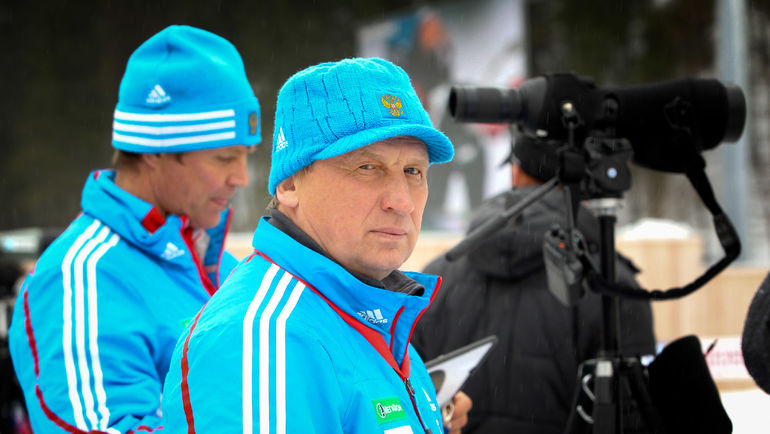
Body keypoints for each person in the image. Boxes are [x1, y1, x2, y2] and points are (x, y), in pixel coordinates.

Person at [161, 57, 471, 433]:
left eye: (413, 172)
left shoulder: (374, 314)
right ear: (289, 184)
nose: (402, 201)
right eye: (367, 168)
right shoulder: (262, 342)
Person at [8, 25, 261, 433]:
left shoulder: (227, 271)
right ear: (156, 149)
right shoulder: (80, 280)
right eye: (224, 157)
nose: (242, 178)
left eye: (246, 156)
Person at [412, 135, 656, 434]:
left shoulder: (437, 276)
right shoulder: (612, 284)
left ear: (516, 173)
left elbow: (411, 398)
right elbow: (635, 415)